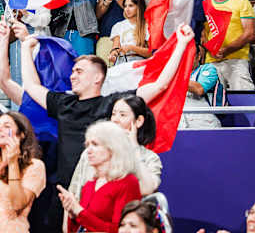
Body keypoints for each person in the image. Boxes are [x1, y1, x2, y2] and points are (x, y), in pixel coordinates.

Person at [17, 24, 194, 228]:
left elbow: (160, 85)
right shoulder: (63, 104)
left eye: (79, 71)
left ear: (97, 77)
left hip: (102, 197)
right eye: (73, 71)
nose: (73, 75)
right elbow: (31, 86)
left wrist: (180, 44)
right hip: (65, 194)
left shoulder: (112, 105)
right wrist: (25, 49)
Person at [69, 95, 162, 200]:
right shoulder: (90, 152)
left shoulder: (150, 158)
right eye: (113, 114)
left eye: (122, 115)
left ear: (139, 121)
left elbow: (149, 188)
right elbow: (73, 194)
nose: (115, 120)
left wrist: (134, 148)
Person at [58, 121, 141, 233]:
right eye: (88, 145)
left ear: (113, 147)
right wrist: (72, 214)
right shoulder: (89, 184)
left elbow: (119, 230)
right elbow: (78, 228)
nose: (89, 151)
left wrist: (79, 211)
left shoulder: (127, 183)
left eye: (95, 144)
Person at [0, 112, 46, 233]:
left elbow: (17, 205)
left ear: (21, 135)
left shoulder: (34, 166)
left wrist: (13, 163)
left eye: (7, 126)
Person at [203, 0, 255, 90]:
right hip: (211, 61)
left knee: (243, 97)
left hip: (237, 59)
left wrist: (226, 49)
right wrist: (210, 49)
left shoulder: (242, 2)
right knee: (212, 100)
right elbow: (204, 34)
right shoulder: (205, 5)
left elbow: (249, 33)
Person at [108, 0, 150, 65]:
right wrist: (113, 55)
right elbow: (115, 47)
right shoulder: (118, 26)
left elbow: (151, 53)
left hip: (139, 61)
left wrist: (131, 48)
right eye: (125, 6)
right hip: (121, 61)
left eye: (131, 6)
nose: (127, 9)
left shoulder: (147, 26)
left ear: (139, 7)